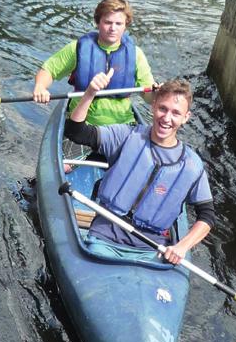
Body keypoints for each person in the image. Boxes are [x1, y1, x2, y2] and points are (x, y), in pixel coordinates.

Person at [64, 76, 215, 265]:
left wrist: (182, 246)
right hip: (105, 238)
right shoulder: (126, 136)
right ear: (153, 107)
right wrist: (90, 94)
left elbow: (207, 215)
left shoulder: (192, 164)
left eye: (176, 113)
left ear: (186, 118)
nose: (167, 118)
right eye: (162, 108)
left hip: (154, 249)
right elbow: (77, 132)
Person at [33, 0, 156, 126]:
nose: (113, 28)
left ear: (125, 25)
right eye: (108, 22)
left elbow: (148, 97)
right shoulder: (77, 48)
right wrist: (40, 86)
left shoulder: (136, 54)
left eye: (119, 23)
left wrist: (156, 94)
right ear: (98, 22)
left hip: (122, 125)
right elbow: (48, 70)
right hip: (82, 123)